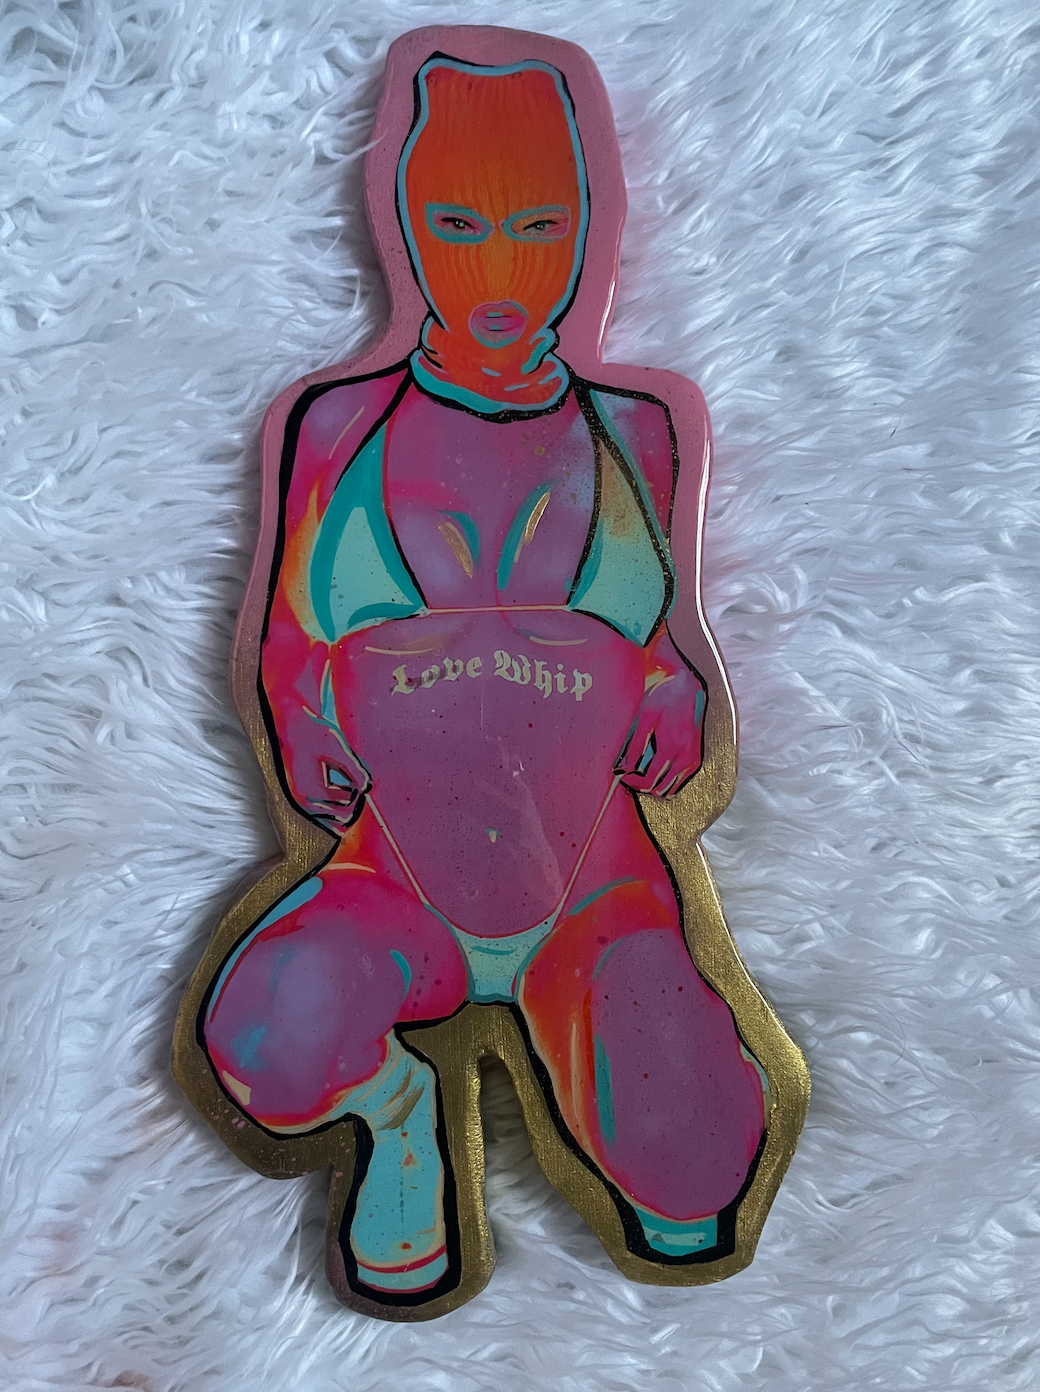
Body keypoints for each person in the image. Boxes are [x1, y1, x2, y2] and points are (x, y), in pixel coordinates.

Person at [200, 56, 766, 1303]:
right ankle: (400, 1120)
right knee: (265, 1041)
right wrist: (296, 722)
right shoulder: (333, 425)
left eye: (538, 229)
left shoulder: (639, 429)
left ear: (587, 228)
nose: (499, 273)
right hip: (390, 884)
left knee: (690, 1189)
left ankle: (657, 1130)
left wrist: (673, 688)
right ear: (403, 224)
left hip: (596, 891)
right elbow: (283, 641)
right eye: (458, 227)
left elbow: (676, 628)